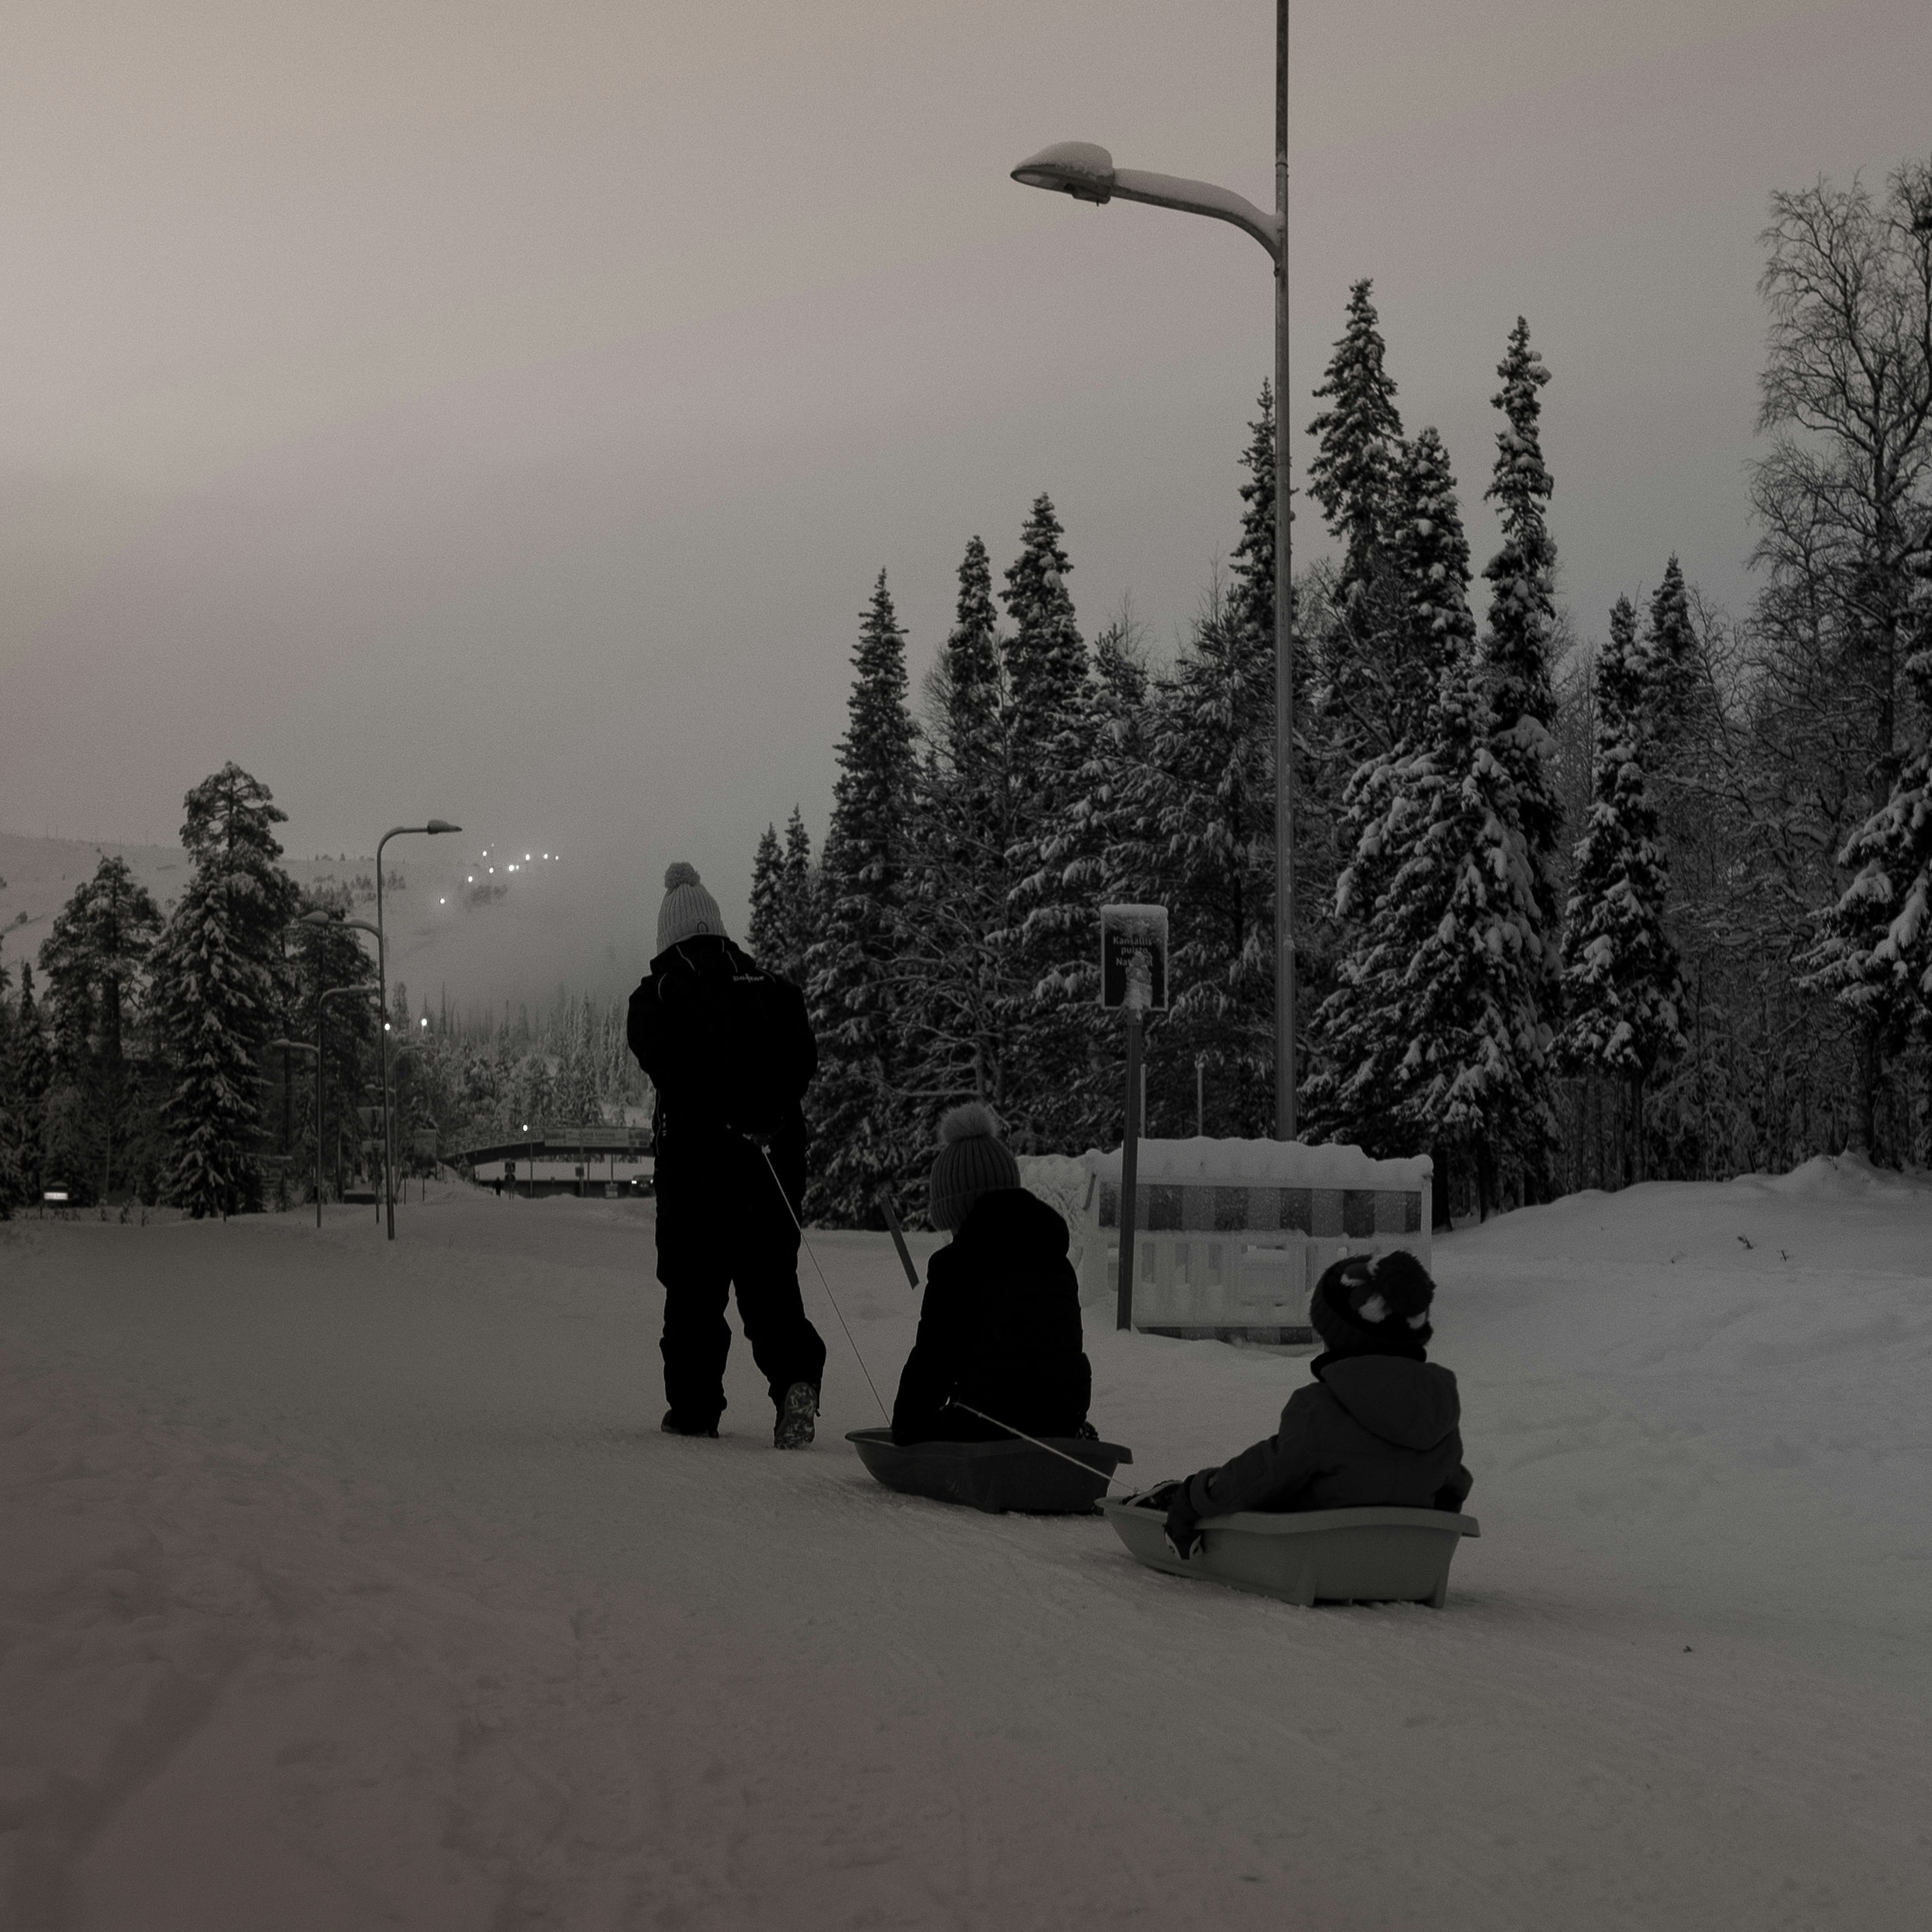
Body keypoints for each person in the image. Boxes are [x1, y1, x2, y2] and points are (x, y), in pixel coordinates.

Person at [627, 862, 825, 1448]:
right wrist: (765, 1112)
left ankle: (693, 1409)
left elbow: (667, 1066)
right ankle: (795, 1382)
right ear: (716, 925)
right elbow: (801, 1059)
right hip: (774, 1163)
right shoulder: (772, 986)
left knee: (693, 1290)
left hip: (697, 1170)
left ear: (670, 935)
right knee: (770, 1285)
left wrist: (721, 1112)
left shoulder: (657, 994)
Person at [1154, 1250, 1472, 1559]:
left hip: (1323, 1560)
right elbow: (1453, 1486)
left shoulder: (1320, 1407)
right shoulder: (1440, 1411)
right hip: (1405, 1569)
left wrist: (1194, 1498)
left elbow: (1264, 1476)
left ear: (1339, 1337)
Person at [890, 1103, 1092, 1446]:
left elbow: (932, 1366)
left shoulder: (956, 1267)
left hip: (985, 1428)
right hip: (1060, 1423)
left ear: (960, 1210)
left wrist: (907, 1427)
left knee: (937, 1421)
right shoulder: (1055, 1259)